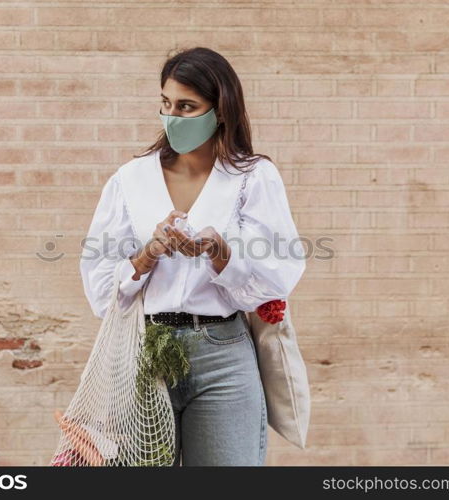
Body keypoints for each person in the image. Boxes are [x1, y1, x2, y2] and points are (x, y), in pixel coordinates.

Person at [78, 47, 307, 466]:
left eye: (187, 107)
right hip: (146, 352)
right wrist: (147, 255)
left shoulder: (253, 177)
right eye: (166, 104)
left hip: (223, 354)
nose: (172, 117)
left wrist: (222, 254)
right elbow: (100, 287)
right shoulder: (131, 179)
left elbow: (279, 274)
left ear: (220, 110)